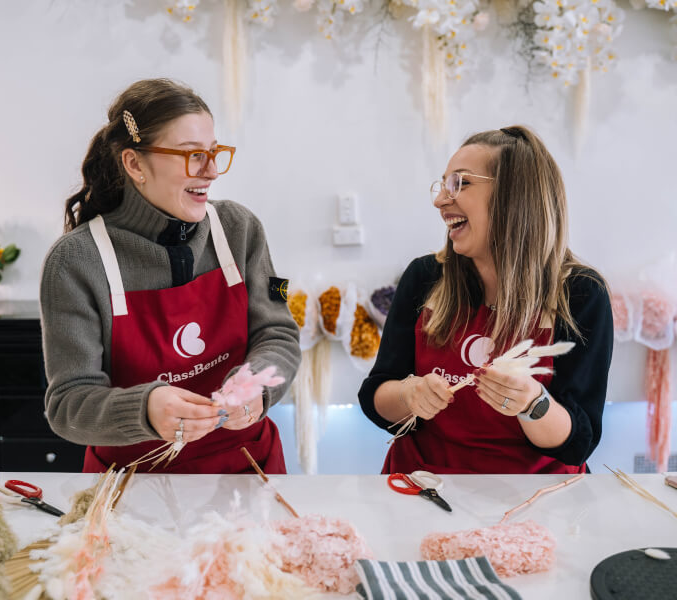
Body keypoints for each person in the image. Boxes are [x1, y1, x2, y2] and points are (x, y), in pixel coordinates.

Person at [40, 78, 300, 474]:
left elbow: (280, 334)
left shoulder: (241, 229)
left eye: (213, 153)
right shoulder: (75, 261)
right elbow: (67, 404)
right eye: (192, 155)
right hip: (130, 486)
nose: (212, 171)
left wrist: (257, 386)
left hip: (247, 469)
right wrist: (144, 409)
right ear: (134, 164)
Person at [358, 125, 613, 474]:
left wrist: (533, 404)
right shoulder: (425, 276)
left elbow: (579, 441)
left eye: (459, 184)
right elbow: (376, 395)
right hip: (424, 484)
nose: (439, 200)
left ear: (514, 196)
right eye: (443, 184)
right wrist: (409, 395)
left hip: (534, 497)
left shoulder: (580, 293)